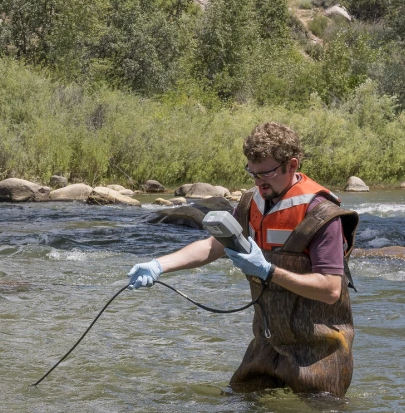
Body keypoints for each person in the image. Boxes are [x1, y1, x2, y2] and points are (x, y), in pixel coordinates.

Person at [127, 122, 360, 397]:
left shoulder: (322, 214)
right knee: (236, 404)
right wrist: (159, 265)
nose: (260, 181)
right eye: (253, 173)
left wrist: (268, 271)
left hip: (321, 350)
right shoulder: (251, 204)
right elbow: (214, 247)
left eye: (268, 173)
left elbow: (331, 289)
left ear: (292, 164)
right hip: (267, 342)